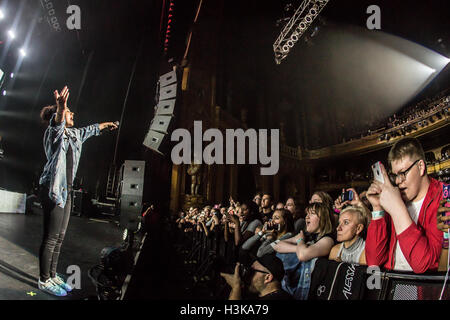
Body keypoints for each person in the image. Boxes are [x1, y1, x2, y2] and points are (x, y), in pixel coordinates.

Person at [38, 86, 118, 296]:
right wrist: (61, 107)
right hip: (53, 188)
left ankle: (53, 274)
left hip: (68, 190)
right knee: (51, 237)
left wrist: (105, 126)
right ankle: (44, 280)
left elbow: (91, 129)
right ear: (59, 114)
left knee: (60, 237)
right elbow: (57, 125)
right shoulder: (54, 133)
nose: (73, 114)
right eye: (69, 112)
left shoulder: (74, 134)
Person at [365, 137, 444, 273]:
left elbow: (425, 267)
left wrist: (397, 209)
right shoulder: (396, 199)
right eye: (395, 175)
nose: (398, 181)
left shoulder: (444, 198)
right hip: (392, 285)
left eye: (403, 173)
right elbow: (373, 261)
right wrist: (378, 209)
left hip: (421, 290)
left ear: (420, 167)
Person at [271, 202, 335, 299]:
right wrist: (299, 247)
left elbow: (303, 255)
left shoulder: (328, 239)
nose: (307, 217)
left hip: (305, 293)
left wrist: (300, 242)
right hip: (289, 284)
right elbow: (275, 245)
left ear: (323, 218)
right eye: (307, 214)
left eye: (312, 213)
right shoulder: (306, 236)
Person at [220, 255, 292, 300]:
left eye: (252, 271)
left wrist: (236, 287)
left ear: (267, 278)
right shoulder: (258, 294)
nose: (248, 276)